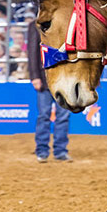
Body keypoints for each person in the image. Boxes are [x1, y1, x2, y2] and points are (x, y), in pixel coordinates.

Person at [27, 20, 71, 162]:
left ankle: (60, 151)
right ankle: (42, 150)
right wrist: (34, 76)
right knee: (44, 115)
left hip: (63, 78)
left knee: (62, 117)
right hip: (45, 77)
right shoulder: (36, 25)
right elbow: (32, 52)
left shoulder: (66, 23)